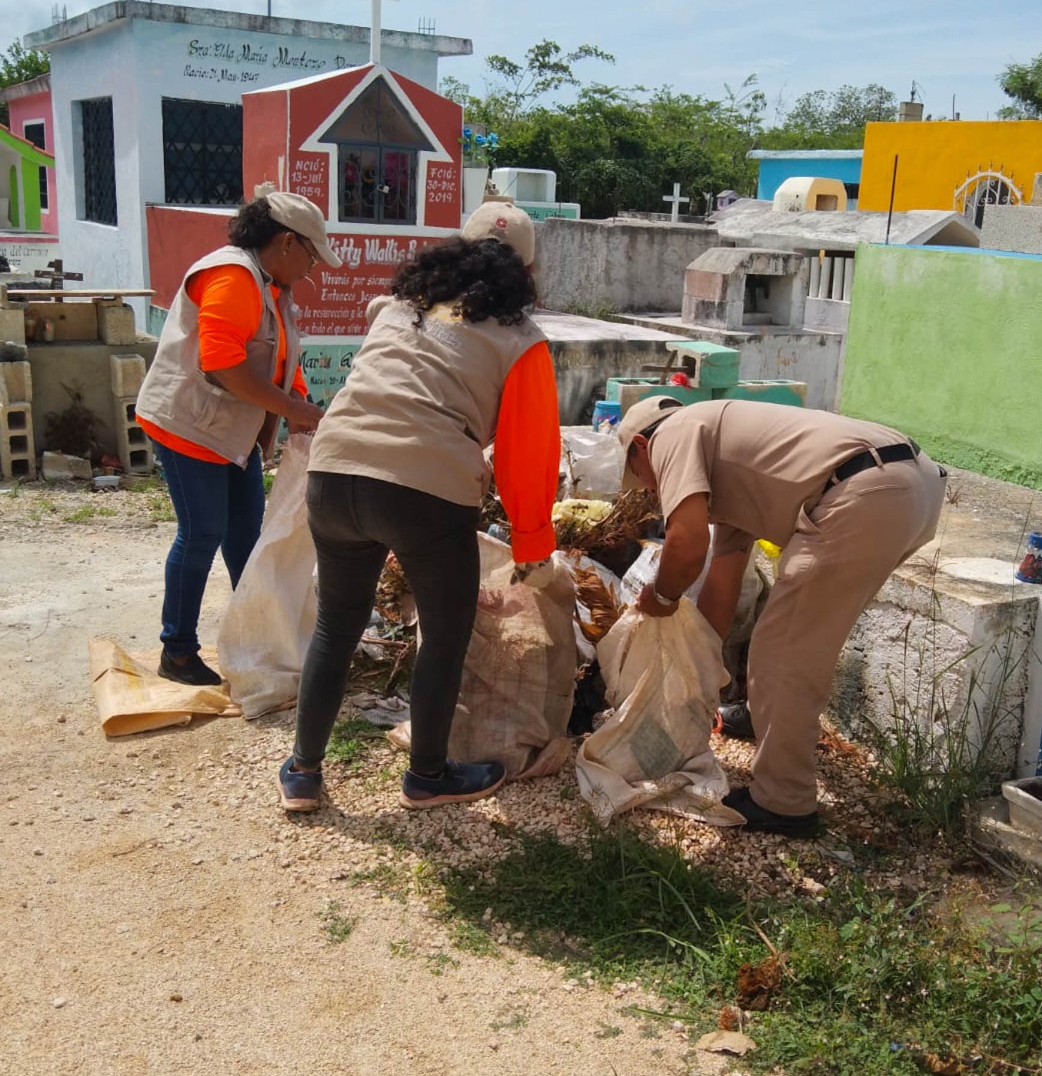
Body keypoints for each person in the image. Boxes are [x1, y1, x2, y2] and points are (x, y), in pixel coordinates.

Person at [278, 201, 561, 815]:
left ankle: (303, 772)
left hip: (333, 469)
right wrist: (535, 546)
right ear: (526, 273)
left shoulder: (395, 308)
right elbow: (527, 455)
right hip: (423, 485)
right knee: (443, 635)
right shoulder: (520, 341)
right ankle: (428, 775)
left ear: (453, 253)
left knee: (336, 624)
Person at [619, 397, 946, 837]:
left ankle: (784, 802)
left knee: (784, 652)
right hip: (911, 486)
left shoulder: (673, 434)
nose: (650, 493)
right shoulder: (724, 456)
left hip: (863, 490)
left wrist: (661, 597)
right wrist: (700, 667)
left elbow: (688, 543)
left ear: (641, 446)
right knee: (801, 637)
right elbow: (723, 577)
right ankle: (763, 717)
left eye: (641, 480)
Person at [135, 186, 335, 687]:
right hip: (188, 425)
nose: (312, 269)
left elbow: (279, 358)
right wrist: (290, 408)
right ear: (287, 242)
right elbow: (221, 365)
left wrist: (299, 407)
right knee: (202, 533)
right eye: (311, 256)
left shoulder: (271, 287)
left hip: (231, 433)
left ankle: (260, 639)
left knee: (248, 538)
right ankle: (177, 651)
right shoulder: (231, 275)